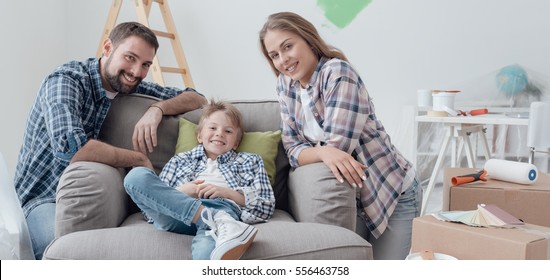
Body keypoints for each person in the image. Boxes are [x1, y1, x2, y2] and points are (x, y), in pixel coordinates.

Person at [14, 21, 207, 260]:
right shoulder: (66, 80)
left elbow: (198, 98)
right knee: (62, 252)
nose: (137, 71)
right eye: (130, 57)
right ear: (107, 48)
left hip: (92, 198)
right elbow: (71, 148)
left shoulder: (132, 85)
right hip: (41, 197)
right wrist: (136, 158)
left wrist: (157, 108)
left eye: (145, 64)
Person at [259, 12, 421, 260]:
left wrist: (321, 150)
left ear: (309, 40)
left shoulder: (337, 72)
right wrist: (323, 151)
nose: (283, 60)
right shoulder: (285, 85)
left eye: (288, 46)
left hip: (391, 192)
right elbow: (292, 149)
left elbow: (340, 147)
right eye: (274, 55)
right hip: (351, 196)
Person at [123, 100, 275, 259]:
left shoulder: (250, 161)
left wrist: (227, 193)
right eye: (213, 128)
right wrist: (183, 192)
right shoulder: (179, 160)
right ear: (199, 136)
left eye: (228, 131)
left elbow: (266, 206)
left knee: (207, 257)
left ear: (236, 143)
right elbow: (153, 203)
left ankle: (213, 219)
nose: (219, 133)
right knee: (136, 176)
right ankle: (209, 218)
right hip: (177, 211)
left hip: (222, 210)